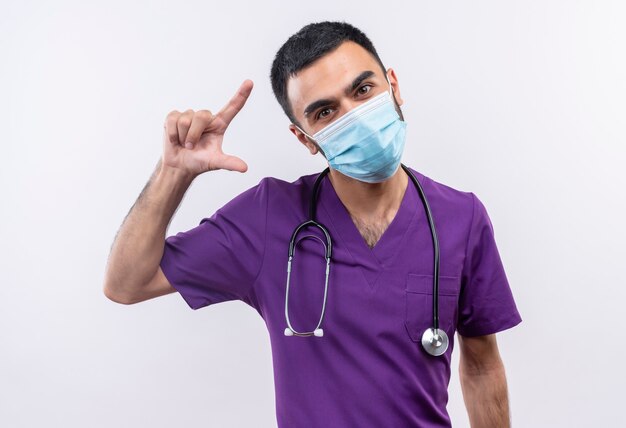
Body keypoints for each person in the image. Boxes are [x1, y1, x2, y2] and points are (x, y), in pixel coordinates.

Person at [103, 21, 522, 428]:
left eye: (363, 90)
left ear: (393, 85)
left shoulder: (461, 217)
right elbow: (127, 283)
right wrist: (173, 173)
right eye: (325, 112)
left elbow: (484, 368)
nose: (355, 117)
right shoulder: (268, 217)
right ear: (305, 138)